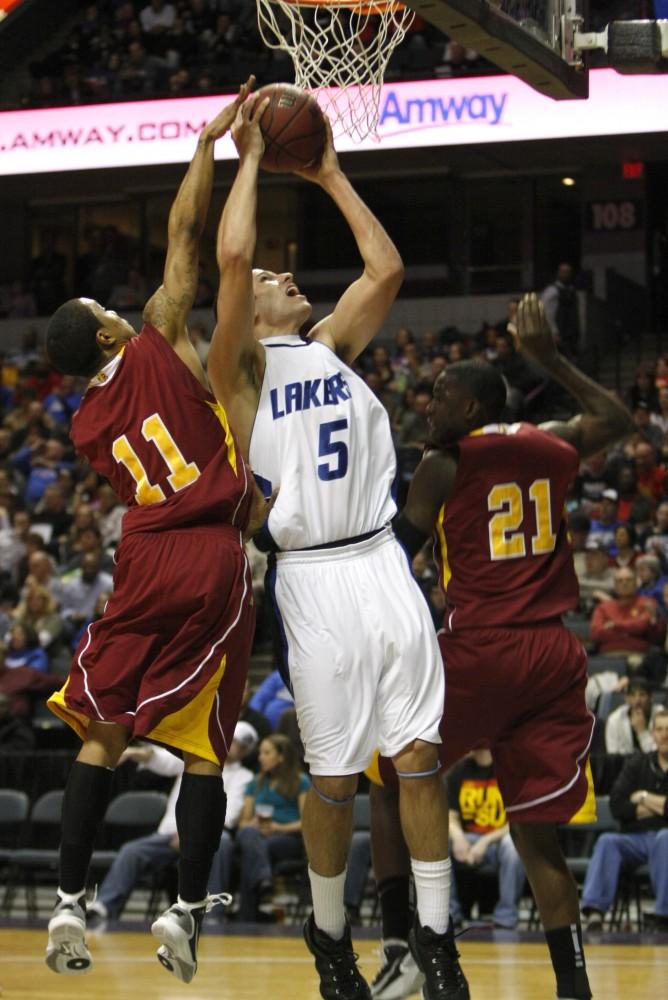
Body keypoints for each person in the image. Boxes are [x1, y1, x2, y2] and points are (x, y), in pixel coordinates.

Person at [209, 96, 456, 1000]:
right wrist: (248, 156)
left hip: (383, 560)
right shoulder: (238, 370)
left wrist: (329, 174)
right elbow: (231, 258)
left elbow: (384, 269)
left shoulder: (330, 344)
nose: (281, 274)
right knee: (336, 780)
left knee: (420, 758)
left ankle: (437, 942)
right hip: (311, 579)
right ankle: (327, 934)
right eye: (274, 278)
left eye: (284, 271)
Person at [41, 81, 266, 984]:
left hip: (142, 555)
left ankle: (67, 901)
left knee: (101, 729)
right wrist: (207, 140)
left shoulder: (82, 428)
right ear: (105, 330)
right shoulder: (153, 337)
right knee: (205, 741)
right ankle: (183, 911)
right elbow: (183, 240)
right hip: (210, 547)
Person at [386, 293, 633, 1000]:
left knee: (392, 769)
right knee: (538, 837)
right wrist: (552, 361)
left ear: (470, 409)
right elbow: (616, 419)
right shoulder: (549, 440)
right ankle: (573, 989)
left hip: (484, 648)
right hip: (554, 657)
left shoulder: (445, 462)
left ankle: (421, 942)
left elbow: (398, 553)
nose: (428, 404)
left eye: (440, 395)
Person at [86, 722, 258, 930]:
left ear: (247, 751)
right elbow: (162, 760)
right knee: (132, 851)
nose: (232, 747)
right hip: (169, 837)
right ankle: (105, 906)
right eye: (231, 740)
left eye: (239, 745)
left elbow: (228, 816)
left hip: (209, 838)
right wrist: (135, 753)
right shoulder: (195, 758)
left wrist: (192, 834)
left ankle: (213, 914)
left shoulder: (245, 777)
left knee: (223, 844)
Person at [581, 709, 668, 932]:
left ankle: (663, 915)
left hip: (664, 839)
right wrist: (660, 807)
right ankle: (594, 913)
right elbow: (617, 804)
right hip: (635, 839)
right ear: (652, 733)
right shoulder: (637, 763)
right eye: (659, 730)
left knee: (664, 838)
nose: (664, 735)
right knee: (607, 841)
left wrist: (643, 797)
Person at [447, 749, 525, 931]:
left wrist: (485, 842)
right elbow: (451, 817)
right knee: (438, 844)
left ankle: (506, 916)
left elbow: (516, 821)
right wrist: (458, 837)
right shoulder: (458, 771)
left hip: (500, 839)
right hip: (468, 839)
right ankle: (450, 914)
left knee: (513, 847)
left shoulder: (509, 770)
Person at [236, 733, 309, 921]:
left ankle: (247, 915)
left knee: (252, 849)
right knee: (249, 836)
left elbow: (307, 822)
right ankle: (263, 880)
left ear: (282, 756)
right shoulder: (255, 783)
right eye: (260, 753)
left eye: (267, 753)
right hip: (258, 837)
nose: (260, 757)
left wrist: (278, 827)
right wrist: (252, 823)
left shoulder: (301, 781)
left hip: (289, 839)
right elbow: (243, 822)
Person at [590, 566, 665, 656]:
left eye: (628, 580)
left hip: (639, 655)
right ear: (615, 585)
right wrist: (631, 633)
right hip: (608, 655)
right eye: (620, 581)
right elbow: (596, 634)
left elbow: (642, 626)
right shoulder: (603, 607)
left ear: (636, 583)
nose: (624, 583)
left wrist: (615, 625)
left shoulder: (647, 603)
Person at [605, 677, 665, 755]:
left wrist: (642, 733)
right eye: (632, 695)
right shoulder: (615, 720)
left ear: (651, 697)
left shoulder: (662, 717)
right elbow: (613, 758)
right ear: (626, 698)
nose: (637, 700)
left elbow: (661, 755)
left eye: (642, 695)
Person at [541, 262, 580, 357]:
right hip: (559, 333)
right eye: (563, 272)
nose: (566, 275)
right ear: (558, 273)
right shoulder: (552, 291)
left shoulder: (571, 290)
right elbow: (548, 313)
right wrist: (554, 332)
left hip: (570, 333)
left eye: (568, 272)